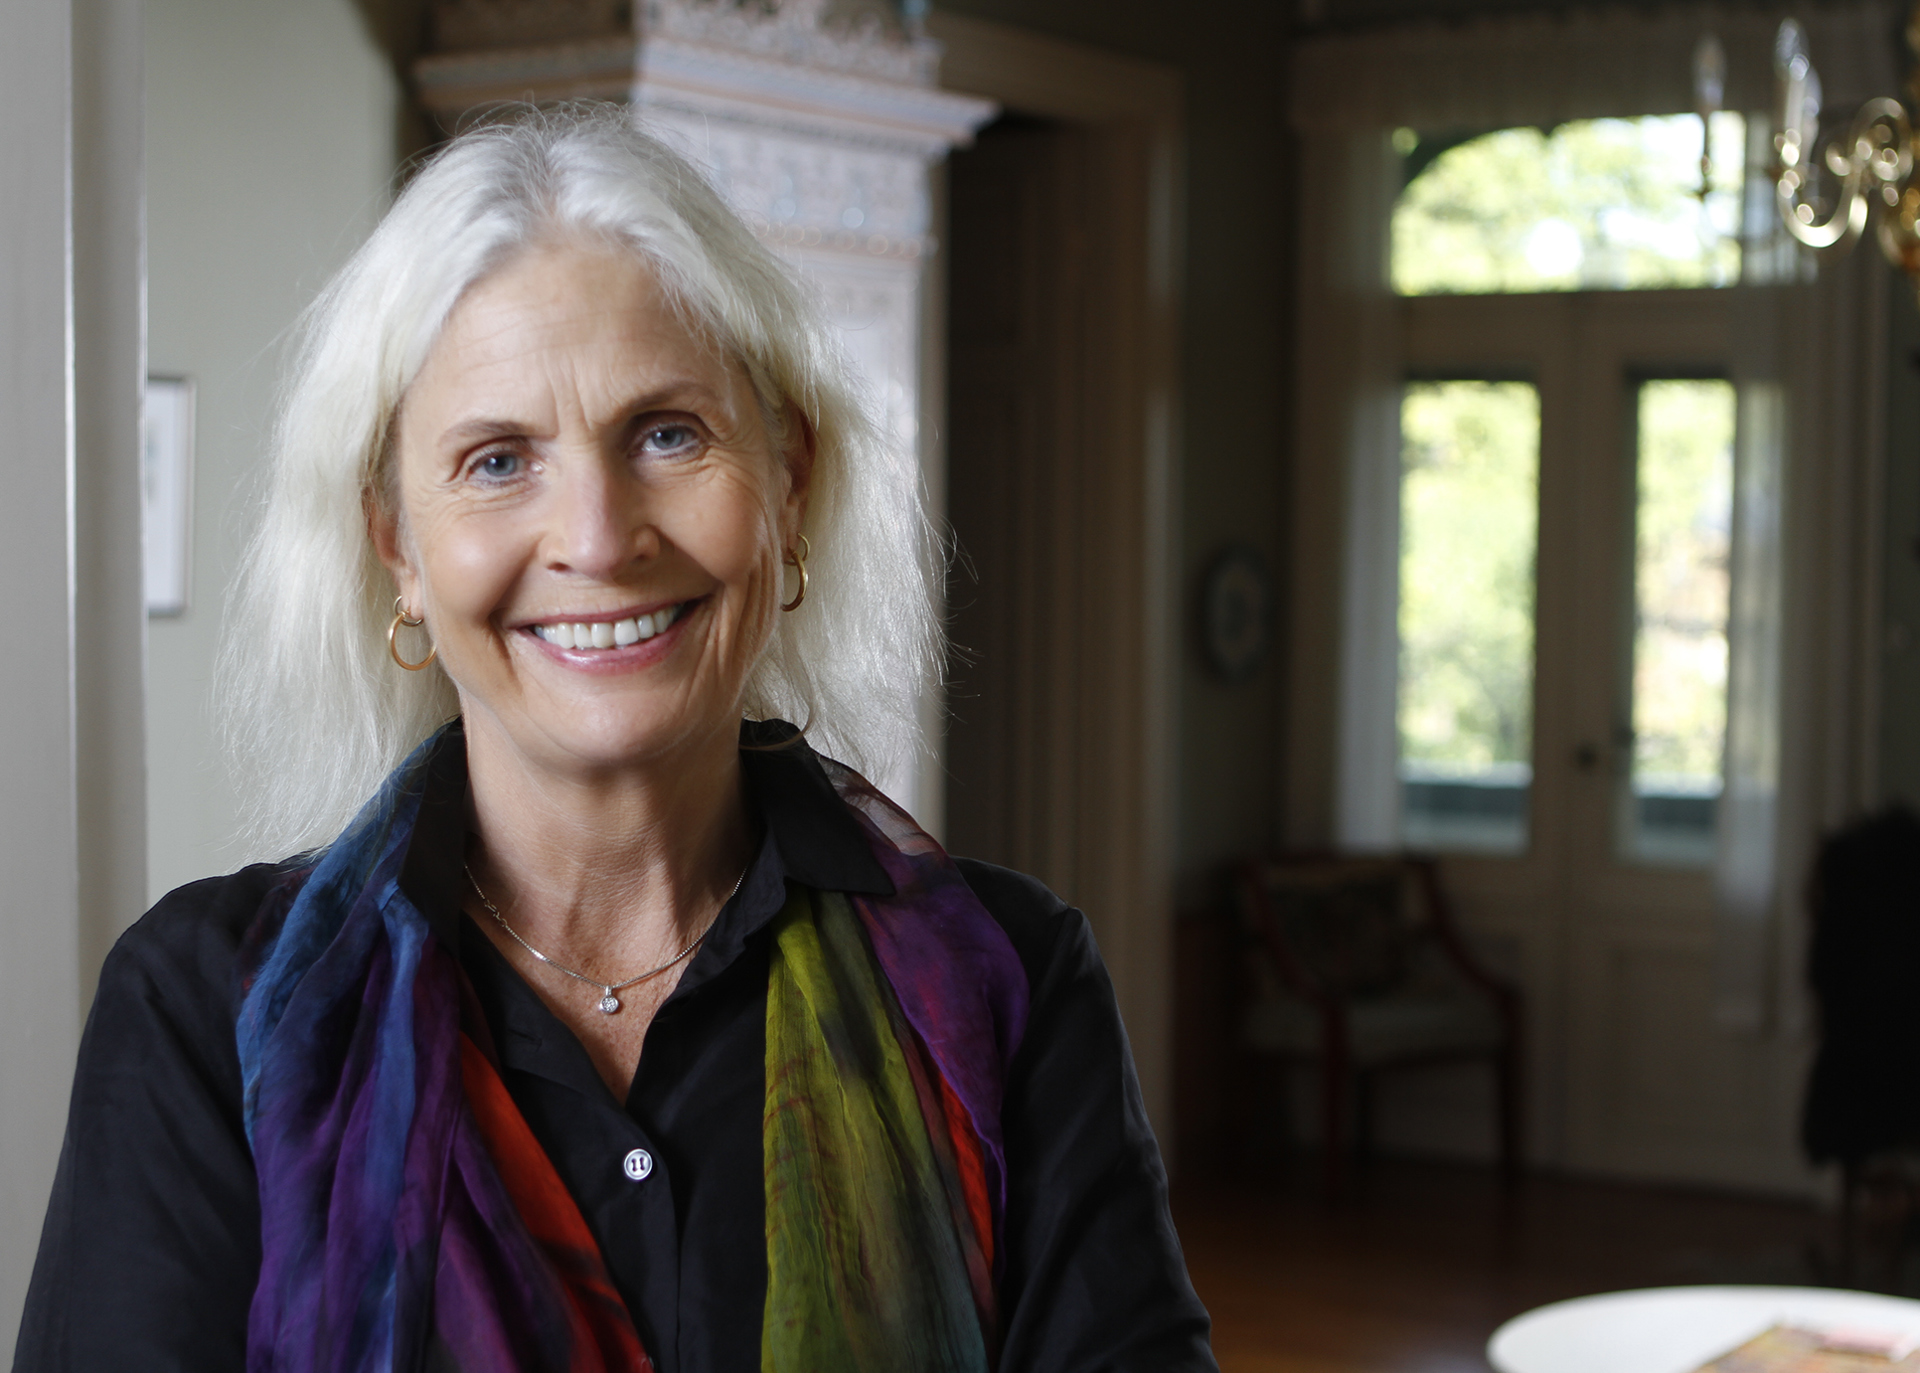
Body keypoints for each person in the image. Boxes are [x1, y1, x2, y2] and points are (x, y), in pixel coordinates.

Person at [14, 109, 1215, 1373]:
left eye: (667, 433)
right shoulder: (205, 1016)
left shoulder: (1013, 983)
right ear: (398, 548)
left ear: (789, 482)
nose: (596, 537)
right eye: (497, 460)